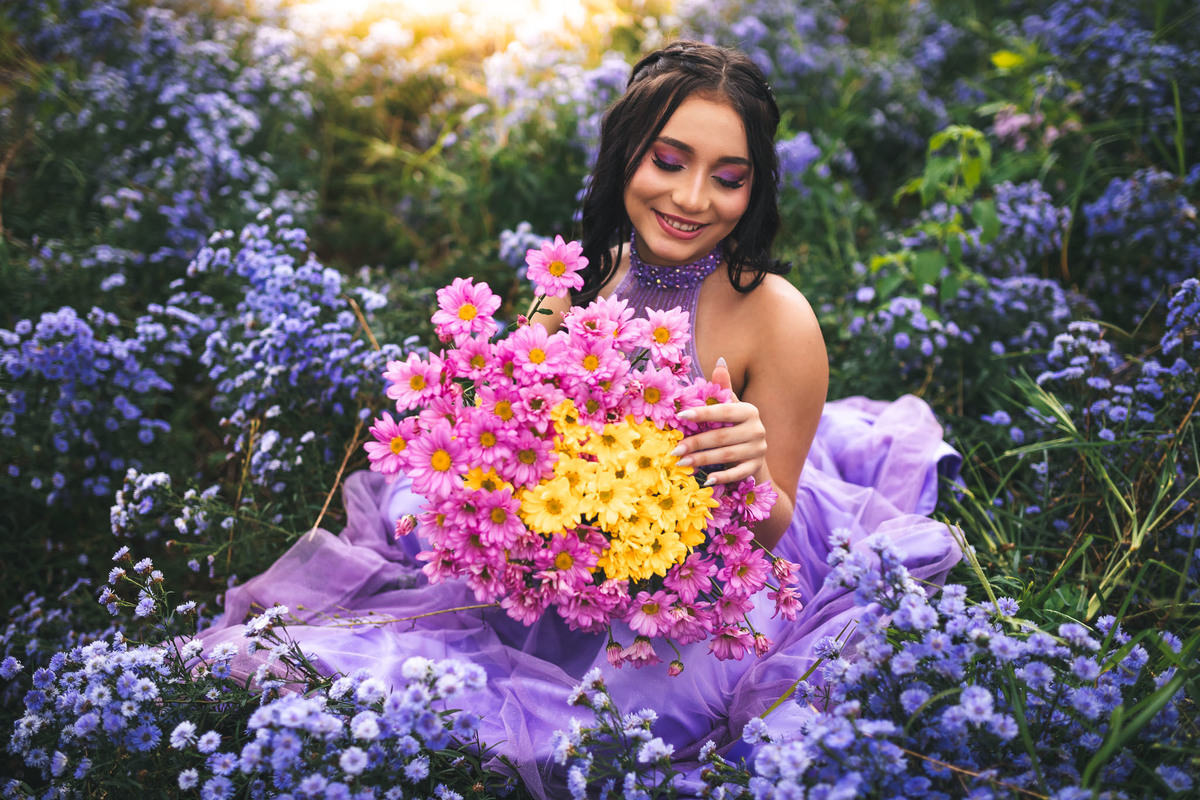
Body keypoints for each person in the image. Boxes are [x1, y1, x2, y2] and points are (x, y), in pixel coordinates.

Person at [194, 41, 962, 799]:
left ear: (753, 190)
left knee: (624, 722)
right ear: (625, 154)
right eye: (668, 161)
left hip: (704, 578)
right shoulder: (572, 288)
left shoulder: (778, 319)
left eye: (729, 178)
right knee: (433, 627)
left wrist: (749, 469)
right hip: (570, 562)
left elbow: (769, 528)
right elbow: (518, 439)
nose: (693, 199)